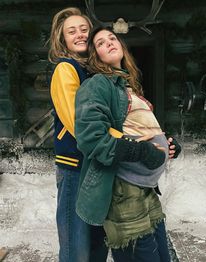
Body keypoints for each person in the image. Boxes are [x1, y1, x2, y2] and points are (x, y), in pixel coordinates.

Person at [74, 26, 181, 262]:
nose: (109, 42)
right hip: (123, 189)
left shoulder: (128, 85)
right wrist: (141, 151)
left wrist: (167, 144)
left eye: (112, 38)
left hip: (145, 189)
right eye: (101, 43)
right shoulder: (98, 84)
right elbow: (91, 139)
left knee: (162, 255)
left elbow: (137, 127)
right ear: (95, 56)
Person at [48, 8, 108, 262]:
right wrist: (120, 142)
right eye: (72, 31)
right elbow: (79, 123)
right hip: (75, 168)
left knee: (97, 246)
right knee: (77, 248)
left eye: (84, 29)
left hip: (96, 167)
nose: (80, 34)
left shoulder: (94, 70)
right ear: (62, 39)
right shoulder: (66, 69)